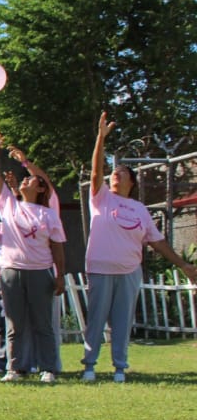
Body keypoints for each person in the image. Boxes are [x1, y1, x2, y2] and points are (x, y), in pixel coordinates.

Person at [82, 112, 197, 381]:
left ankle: (120, 367)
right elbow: (96, 170)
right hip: (100, 269)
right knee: (96, 319)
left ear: (131, 182)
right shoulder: (100, 199)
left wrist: (183, 264)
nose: (114, 176)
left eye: (120, 173)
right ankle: (89, 365)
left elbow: (157, 242)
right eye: (113, 173)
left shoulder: (139, 209)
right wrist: (100, 138)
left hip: (129, 272)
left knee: (123, 321)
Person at [0, 133, 66, 383]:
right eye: (24, 180)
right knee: (14, 323)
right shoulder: (9, 205)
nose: (25, 182)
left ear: (41, 187)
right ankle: (16, 368)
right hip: (11, 270)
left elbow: (58, 247)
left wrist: (60, 275)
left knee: (42, 323)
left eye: (31, 180)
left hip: (40, 271)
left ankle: (48, 368)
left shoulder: (48, 214)